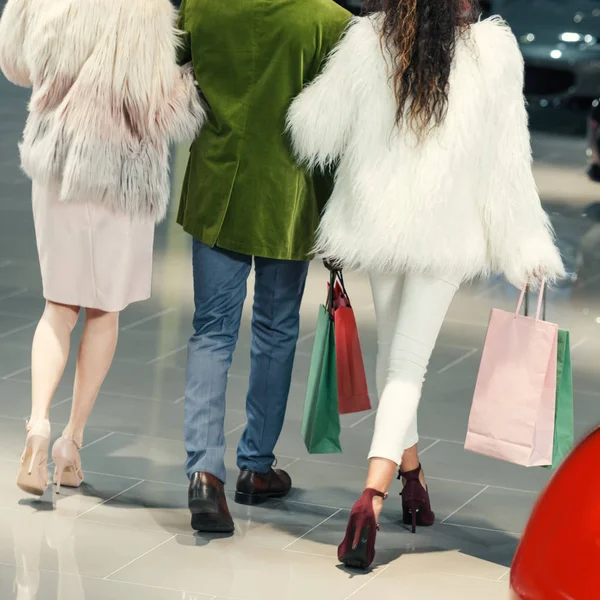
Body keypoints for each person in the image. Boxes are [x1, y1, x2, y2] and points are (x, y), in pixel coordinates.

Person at [288, 0, 565, 568]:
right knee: (405, 368)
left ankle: (407, 481)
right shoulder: (492, 52)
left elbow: (313, 127)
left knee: (397, 361)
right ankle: (374, 494)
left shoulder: (369, 40)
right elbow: (508, 163)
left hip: (377, 224)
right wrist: (525, 242)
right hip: (445, 230)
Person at [0, 0, 204, 497]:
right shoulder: (148, 8)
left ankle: (38, 427)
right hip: (120, 173)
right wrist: (194, 87)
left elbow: (14, 64)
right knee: (103, 313)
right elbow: (158, 108)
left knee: (58, 306)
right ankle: (71, 440)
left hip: (59, 162)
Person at [176, 0, 351, 533]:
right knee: (275, 330)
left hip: (217, 188)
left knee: (211, 333)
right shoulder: (328, 21)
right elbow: (338, 126)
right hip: (286, 199)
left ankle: (204, 473)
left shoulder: (199, 6)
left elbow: (174, 75)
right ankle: (255, 466)